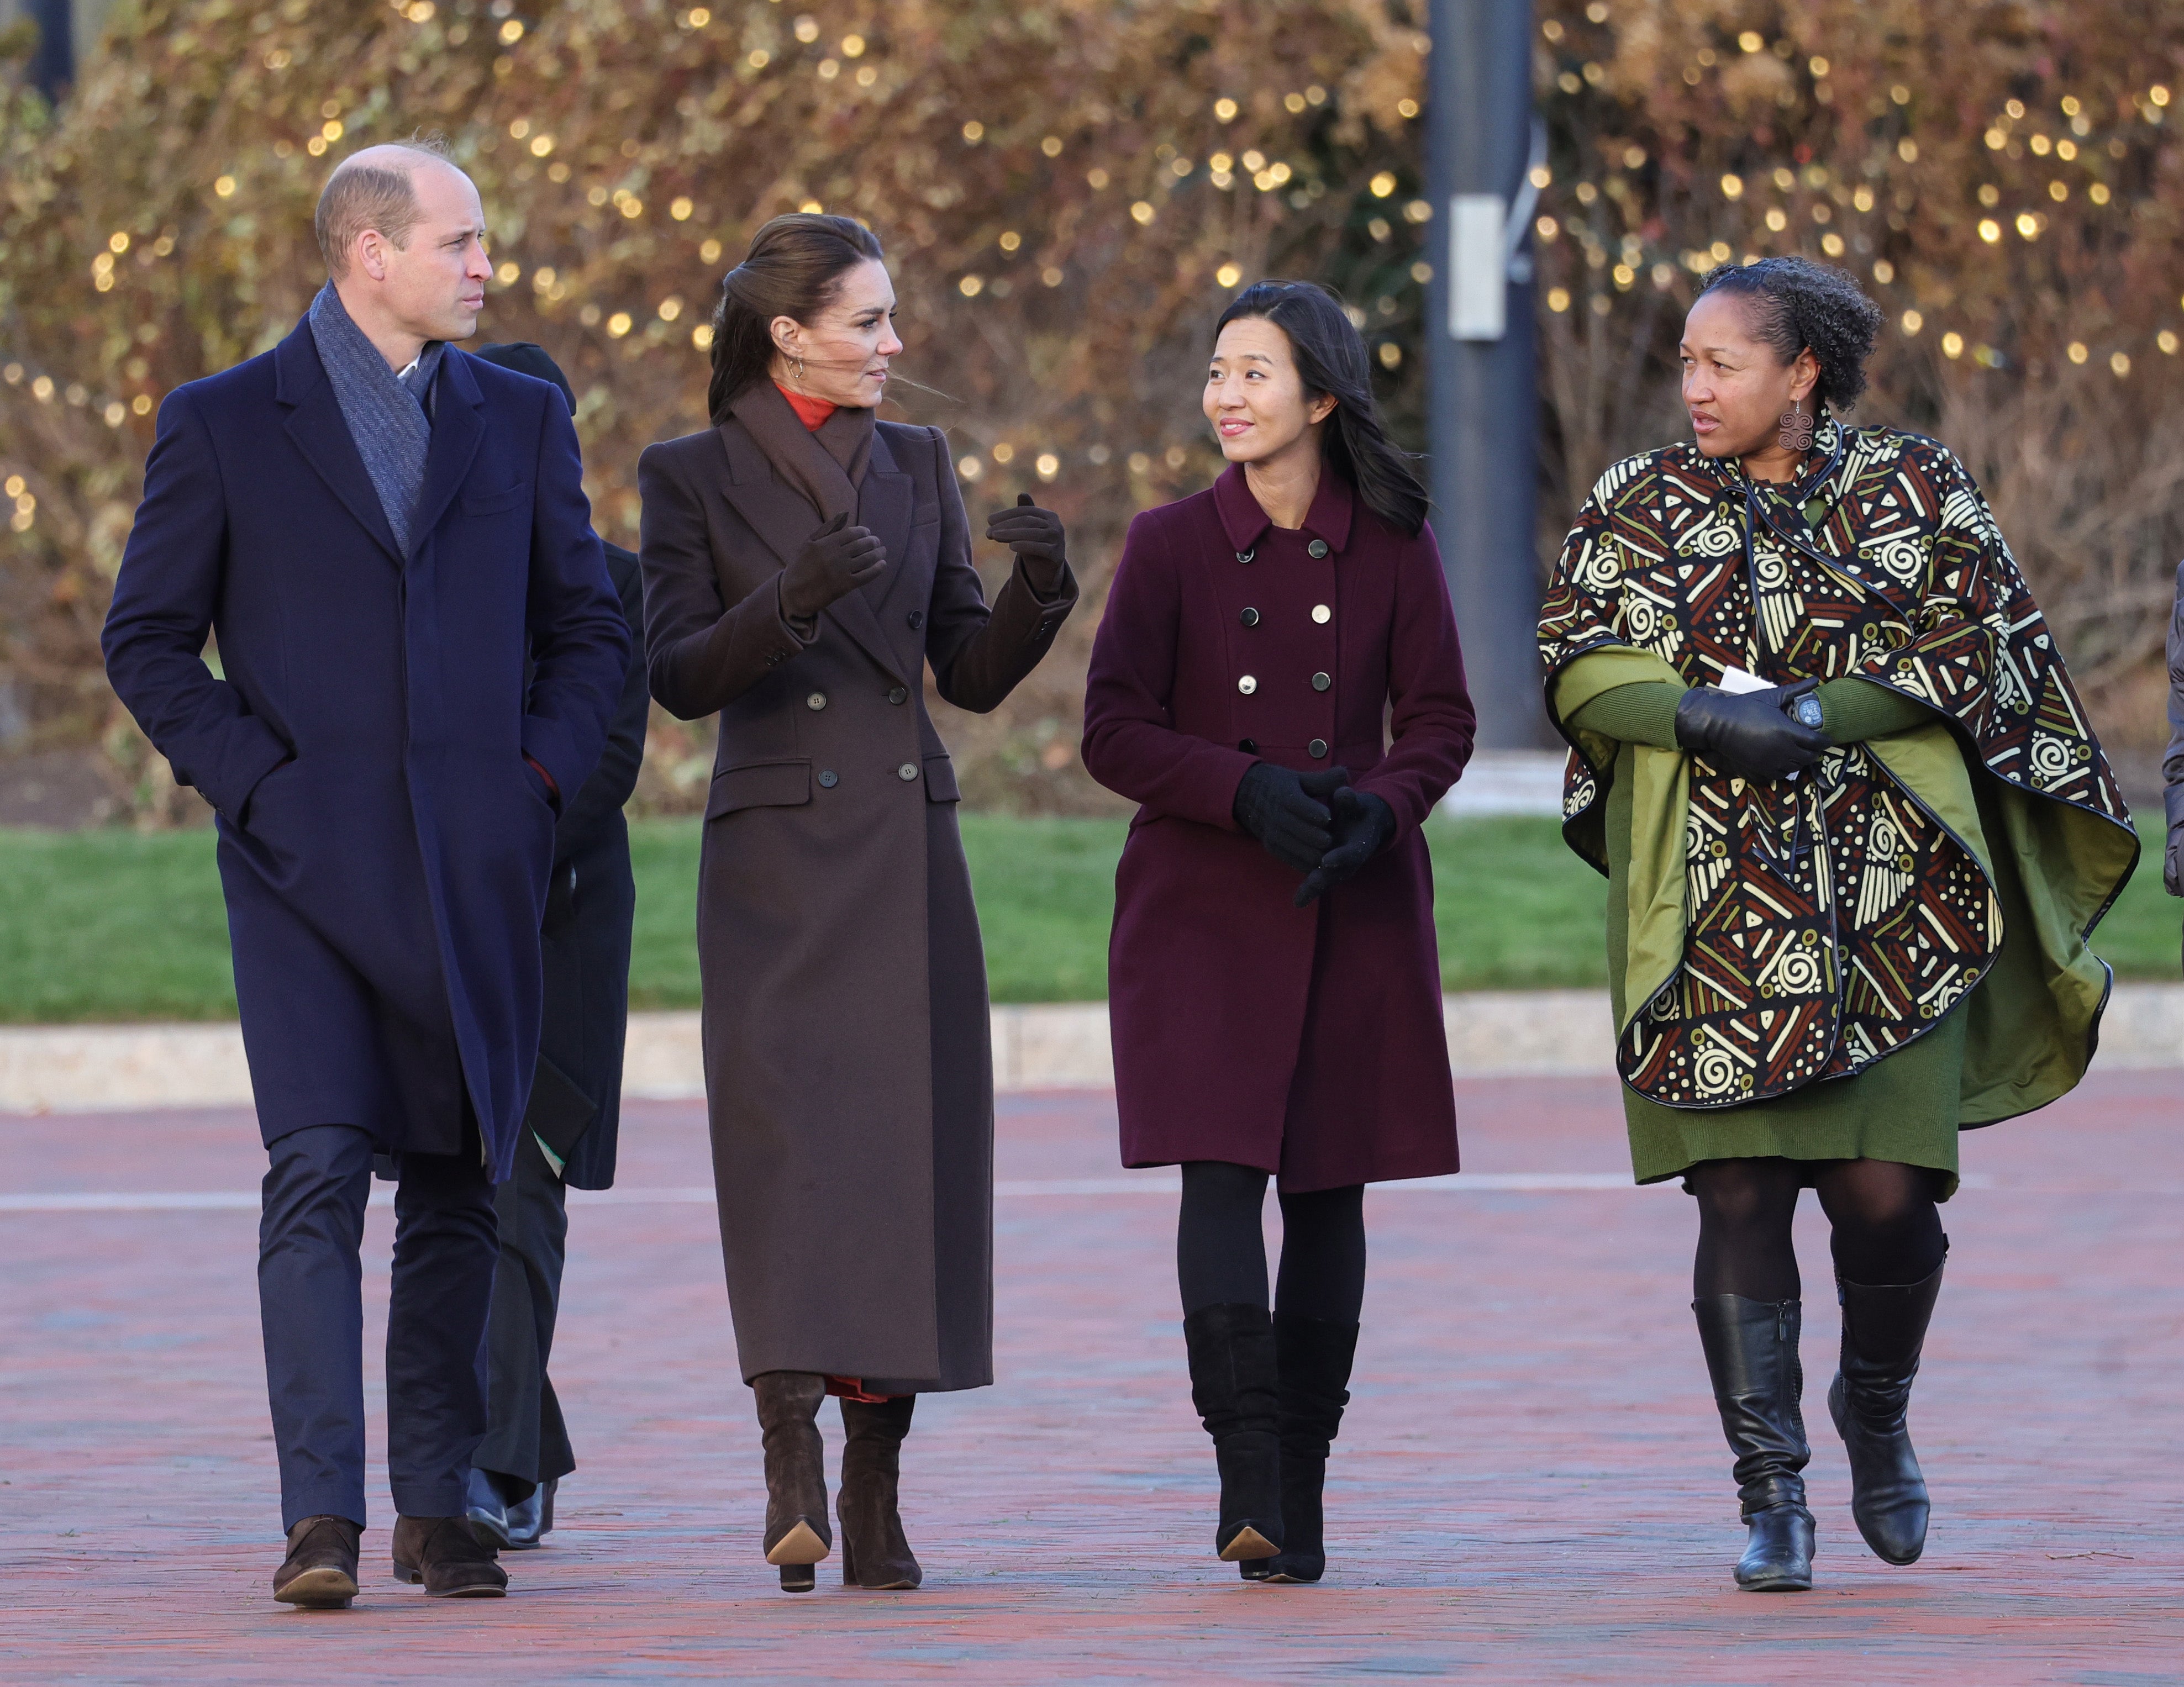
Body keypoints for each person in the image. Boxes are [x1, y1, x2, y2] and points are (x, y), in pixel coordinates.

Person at [1537, 255, 2135, 1593]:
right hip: (1713, 908)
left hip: (1893, 898)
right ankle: (1771, 1495)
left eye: (1724, 364)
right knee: (1737, 1190)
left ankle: (1876, 1409)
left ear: (1801, 373)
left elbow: (1968, 653)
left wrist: (1804, 716)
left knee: (1887, 1198)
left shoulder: (1918, 487)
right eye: (1686, 364)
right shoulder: (1634, 501)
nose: (1694, 387)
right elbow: (1581, 665)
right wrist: (1699, 717)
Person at [101, 142, 630, 1607]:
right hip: (300, 870)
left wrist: (532, 781)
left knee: (462, 1182)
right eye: (460, 243)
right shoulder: (221, 423)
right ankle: (320, 1512)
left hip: (478, 866)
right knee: (317, 1170)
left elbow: (590, 631)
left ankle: (440, 1501)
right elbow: (146, 640)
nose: (485, 269)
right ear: (367, 253)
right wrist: (259, 783)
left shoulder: (520, 419)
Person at [636, 213, 1077, 1592]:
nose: (896, 345)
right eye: (870, 321)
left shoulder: (916, 461)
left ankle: (877, 1492)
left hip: (901, 845)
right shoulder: (687, 474)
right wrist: (789, 598)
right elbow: (681, 675)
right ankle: (789, 1457)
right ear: (789, 334)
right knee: (784, 1154)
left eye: (892, 319)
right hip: (773, 862)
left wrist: (1042, 593)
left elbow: (969, 671)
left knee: (901, 1159)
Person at [1081, 280, 1475, 1583]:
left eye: (1253, 374)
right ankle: (1244, 1465)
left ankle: (1297, 1489)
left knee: (1330, 1190)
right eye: (1215, 373)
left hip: (1350, 902)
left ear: (1320, 398)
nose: (1226, 397)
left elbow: (1440, 721)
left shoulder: (1395, 545)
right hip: (1202, 907)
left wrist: (1379, 809)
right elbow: (1115, 730)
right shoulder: (1168, 544)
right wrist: (1243, 788)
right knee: (1218, 1177)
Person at [457, 342, 650, 1554]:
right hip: (440, 935)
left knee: (522, 1184)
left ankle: (491, 1465)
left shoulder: (619, 589)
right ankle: (524, 1441)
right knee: (460, 1195)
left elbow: (611, 765)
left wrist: (488, 828)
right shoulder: (420, 582)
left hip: (564, 927)